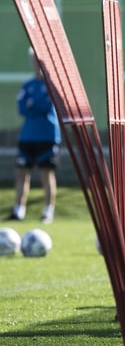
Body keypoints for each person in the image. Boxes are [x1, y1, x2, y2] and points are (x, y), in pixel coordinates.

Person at [7, 47, 60, 224]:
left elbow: (44, 106)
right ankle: (19, 210)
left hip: (47, 135)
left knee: (46, 173)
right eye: (33, 60)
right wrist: (33, 106)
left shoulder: (52, 85)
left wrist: (32, 105)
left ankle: (48, 211)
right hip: (27, 136)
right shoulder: (27, 85)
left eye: (39, 60)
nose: (35, 63)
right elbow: (22, 108)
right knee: (21, 172)